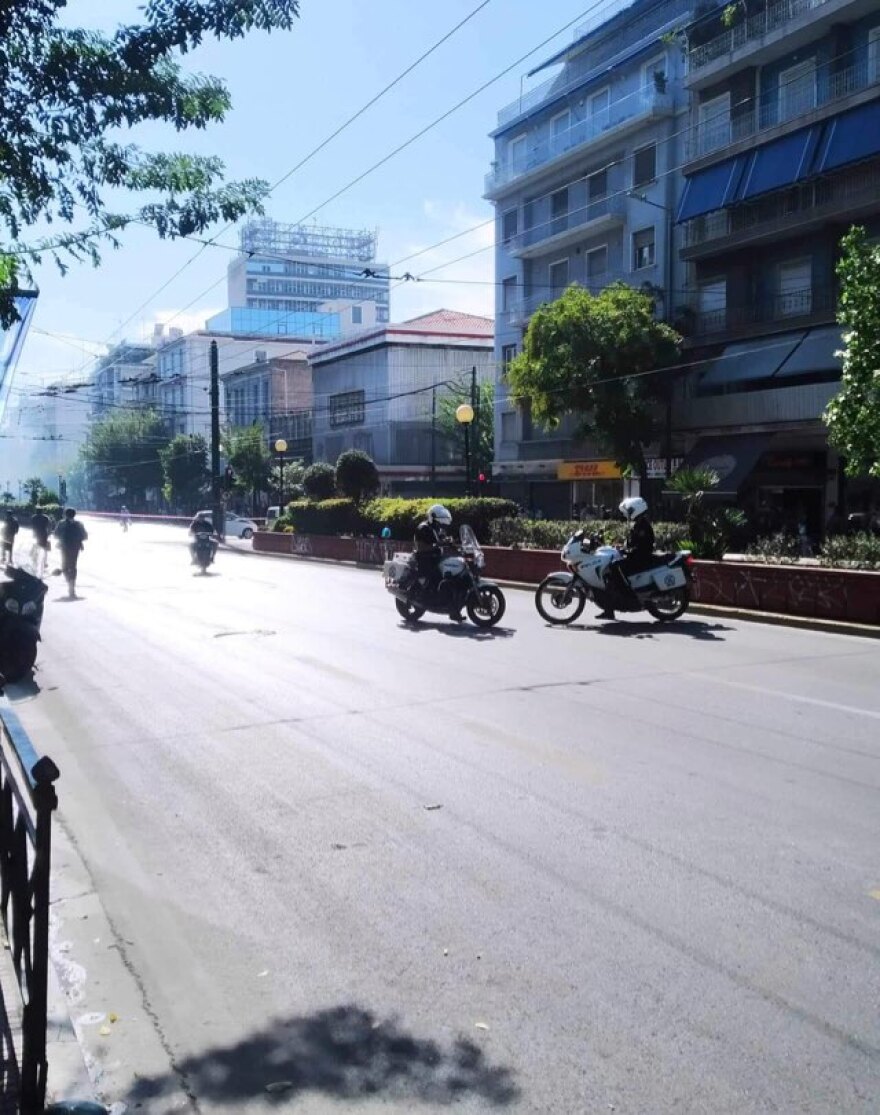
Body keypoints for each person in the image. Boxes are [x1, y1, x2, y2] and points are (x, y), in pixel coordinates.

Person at [596, 496, 656, 621]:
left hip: (641, 557)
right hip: (636, 555)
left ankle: (626, 593)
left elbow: (641, 546)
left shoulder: (643, 526)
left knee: (614, 566)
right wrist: (621, 547)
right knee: (611, 570)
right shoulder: (639, 524)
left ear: (637, 509)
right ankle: (609, 609)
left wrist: (627, 550)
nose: (628, 514)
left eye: (630, 511)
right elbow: (632, 543)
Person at [413, 504, 462, 620]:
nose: (440, 524)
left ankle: (453, 610)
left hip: (435, 557)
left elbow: (441, 539)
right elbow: (424, 545)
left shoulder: (435, 528)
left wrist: (451, 542)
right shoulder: (423, 528)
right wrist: (440, 544)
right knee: (438, 579)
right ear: (432, 518)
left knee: (451, 579)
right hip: (425, 558)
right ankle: (432, 599)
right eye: (438, 521)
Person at [53, 508, 87, 598]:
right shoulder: (79, 524)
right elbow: (85, 536)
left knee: (64, 566)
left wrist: (62, 537)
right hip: (75, 547)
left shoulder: (61, 523)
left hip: (64, 547)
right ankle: (72, 586)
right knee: (73, 566)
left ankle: (69, 582)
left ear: (65, 514)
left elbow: (55, 534)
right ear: (74, 515)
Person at [30, 509, 51, 578]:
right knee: (44, 549)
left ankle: (35, 560)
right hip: (44, 534)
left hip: (36, 533)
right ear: (42, 512)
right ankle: (44, 562)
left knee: (36, 547)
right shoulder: (46, 517)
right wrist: (49, 533)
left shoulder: (34, 517)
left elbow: (33, 526)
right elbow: (48, 526)